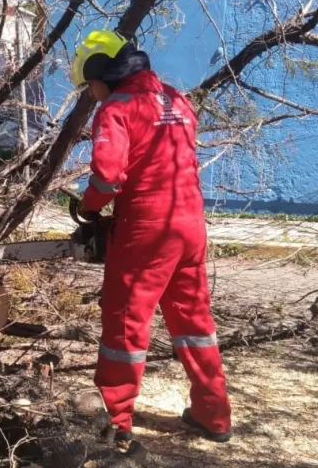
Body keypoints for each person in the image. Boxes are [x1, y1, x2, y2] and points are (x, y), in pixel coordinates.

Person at [71, 30, 233, 443]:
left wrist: (90, 209)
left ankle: (115, 421)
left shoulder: (116, 108)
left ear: (101, 73)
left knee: (126, 323)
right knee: (195, 322)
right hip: (190, 222)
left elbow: (108, 177)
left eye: (89, 85)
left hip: (148, 228)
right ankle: (213, 414)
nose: (91, 94)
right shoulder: (176, 99)